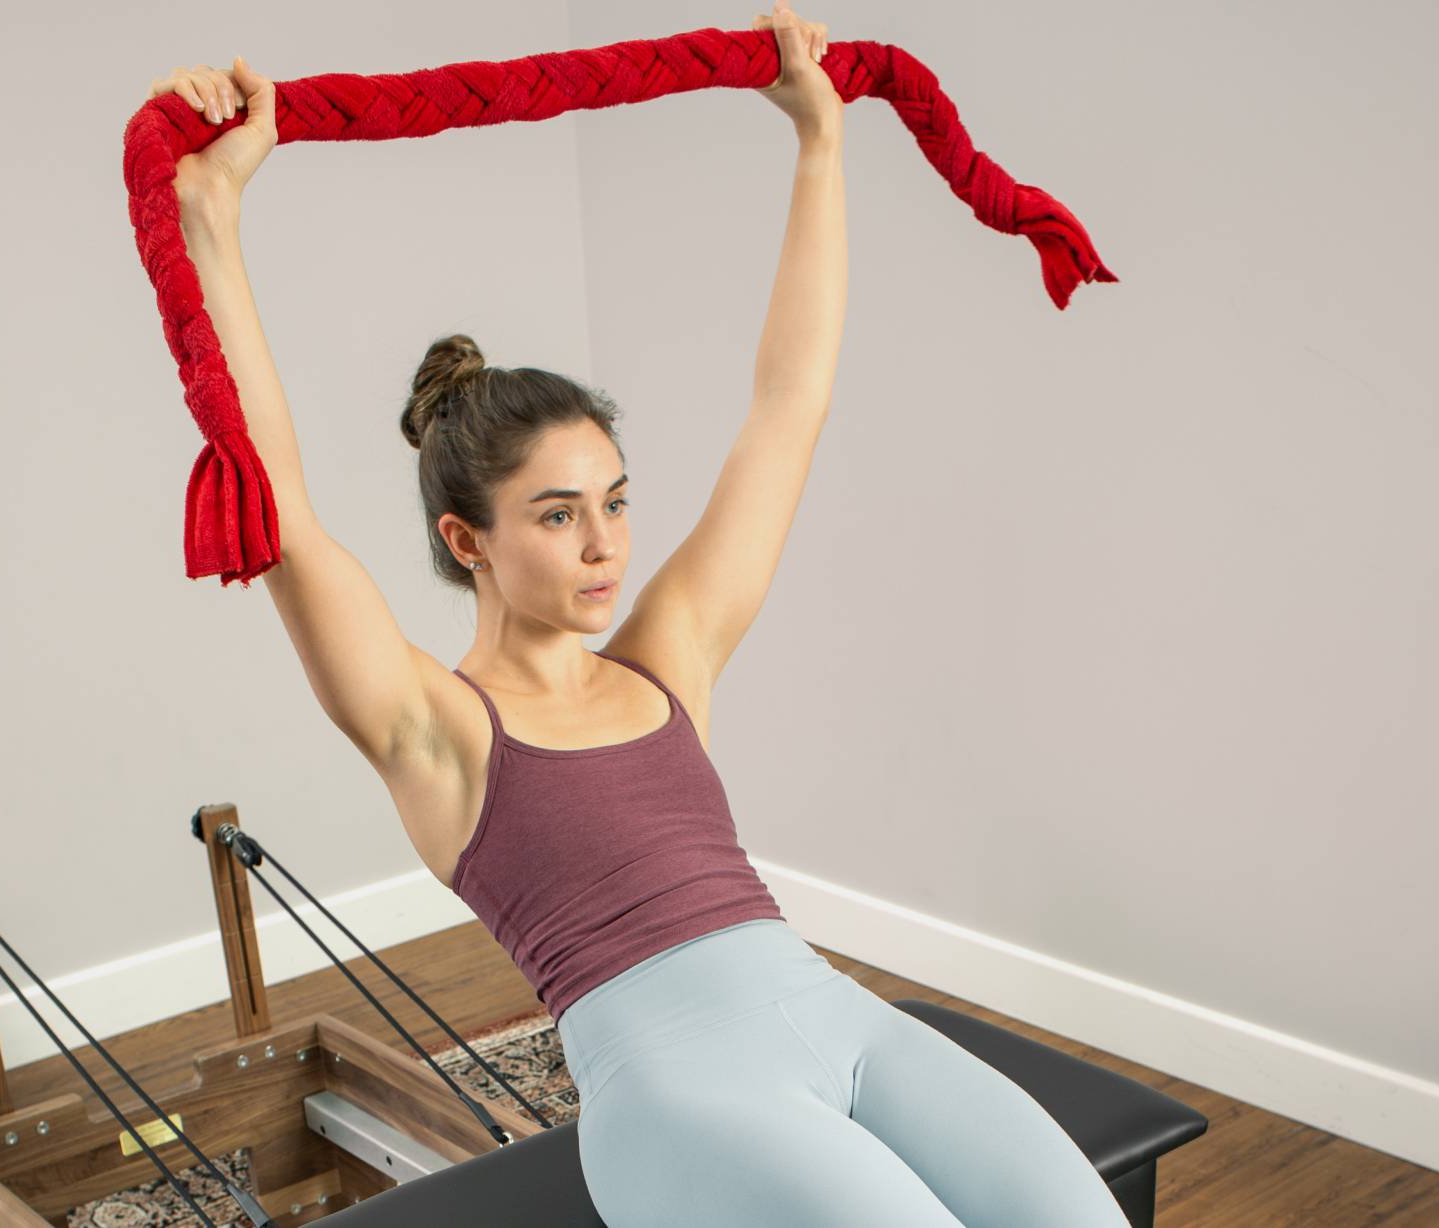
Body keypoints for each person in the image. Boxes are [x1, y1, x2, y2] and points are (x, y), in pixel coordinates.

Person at [146, 8, 1132, 1224]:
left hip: (838, 1020)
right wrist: (211, 218)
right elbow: (281, 506)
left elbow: (788, 407)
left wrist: (818, 140)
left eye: (614, 499)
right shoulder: (436, 729)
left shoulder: (668, 660)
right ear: (468, 541)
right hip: (679, 1099)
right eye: (557, 514)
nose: (606, 540)